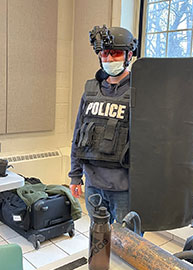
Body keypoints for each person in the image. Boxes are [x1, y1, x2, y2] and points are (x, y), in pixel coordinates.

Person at [69, 25, 138, 224]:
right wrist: (75, 176)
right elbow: (78, 134)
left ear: (129, 54)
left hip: (125, 189)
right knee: (99, 239)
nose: (109, 59)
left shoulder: (140, 91)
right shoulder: (91, 90)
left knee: (128, 247)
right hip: (93, 184)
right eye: (104, 53)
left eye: (115, 53)